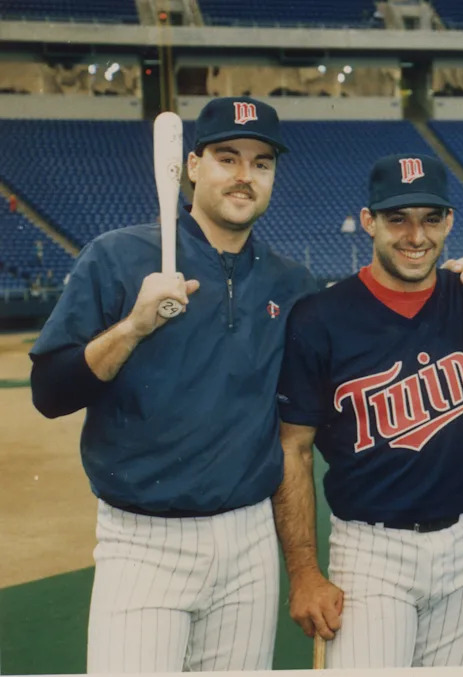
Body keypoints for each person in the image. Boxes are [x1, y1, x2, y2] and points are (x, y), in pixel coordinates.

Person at [29, 96, 317, 673]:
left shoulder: (292, 283)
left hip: (250, 540)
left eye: (261, 163)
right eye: (227, 158)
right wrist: (132, 328)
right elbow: (50, 394)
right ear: (192, 166)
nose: (244, 175)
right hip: (144, 542)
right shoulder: (116, 257)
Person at [272, 153, 463, 669]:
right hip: (371, 550)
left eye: (430, 218)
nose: (415, 236)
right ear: (369, 221)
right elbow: (294, 448)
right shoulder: (320, 318)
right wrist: (304, 573)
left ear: (449, 221)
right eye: (398, 218)